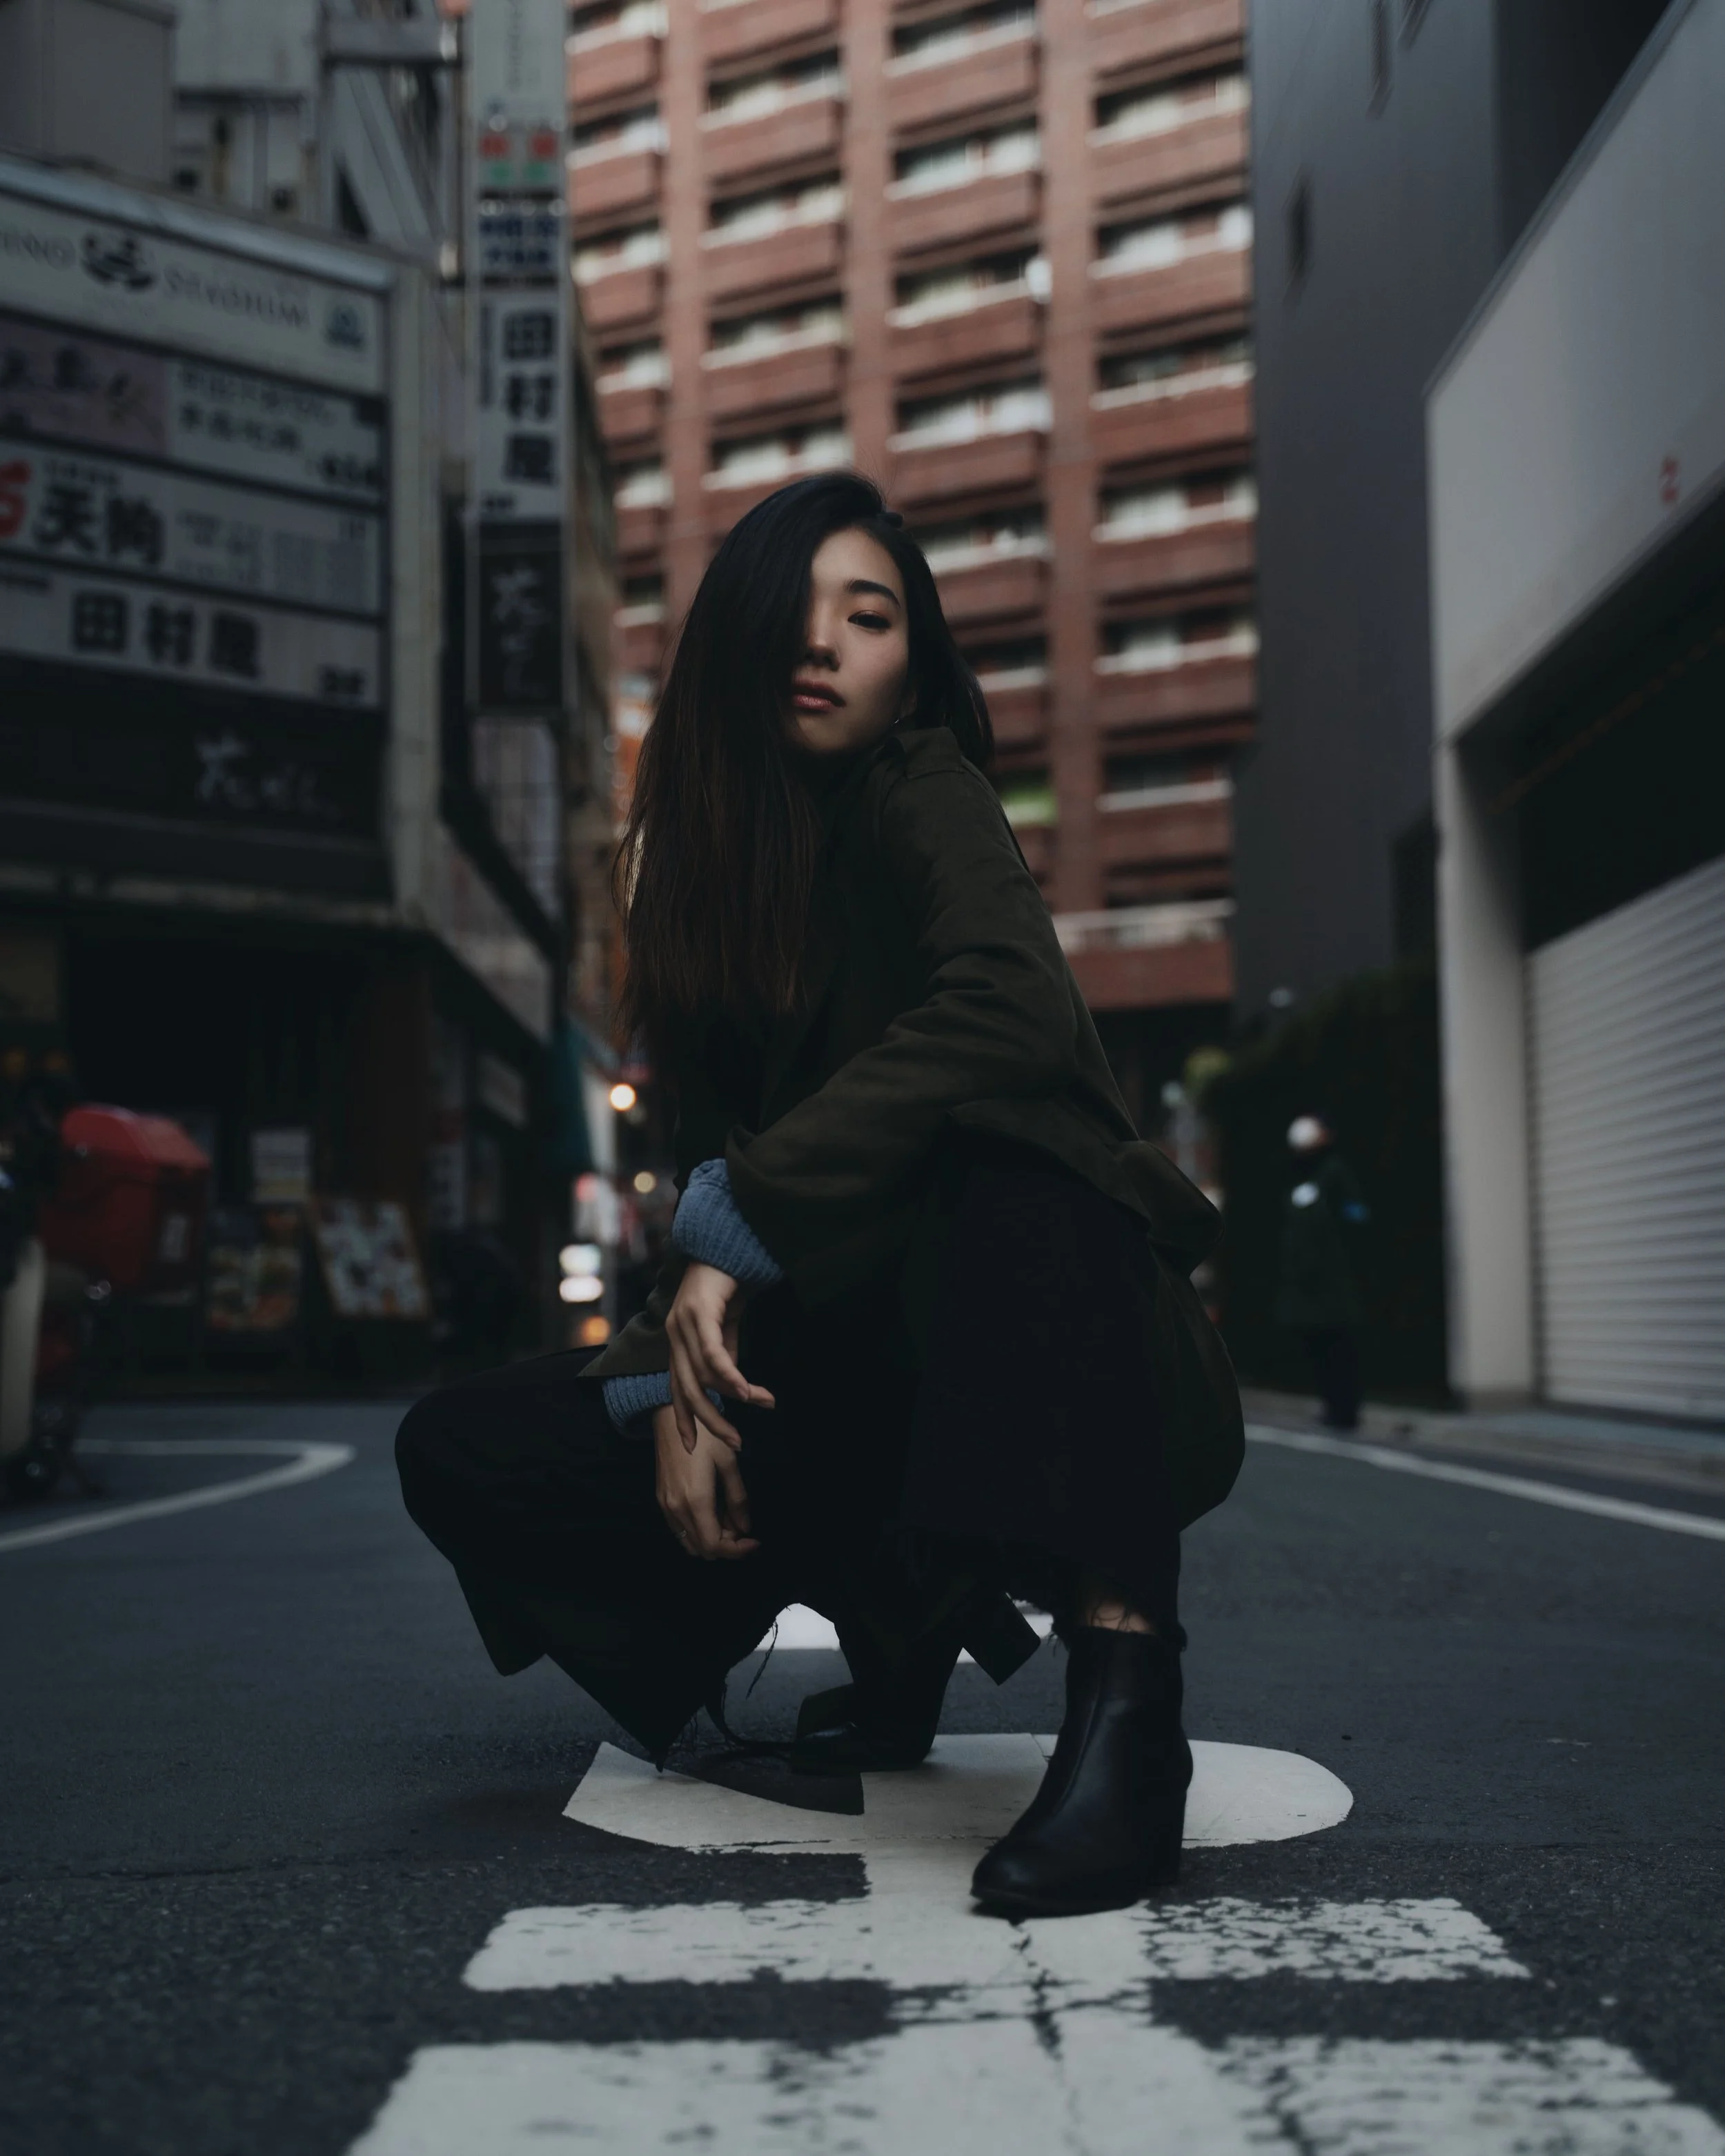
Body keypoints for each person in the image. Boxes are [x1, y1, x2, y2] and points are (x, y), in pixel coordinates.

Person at [396, 473, 1243, 1918]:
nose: (828, 642)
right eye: (796, 611)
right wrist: (667, 1381)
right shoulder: (697, 893)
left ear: (913, 658)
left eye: (871, 613)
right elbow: (709, 1190)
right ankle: (894, 1617)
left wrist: (739, 1220)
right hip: (858, 1373)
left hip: (1065, 1349)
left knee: (1005, 1148)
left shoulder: (924, 789)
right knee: (464, 1441)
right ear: (732, 638)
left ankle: (1126, 1703)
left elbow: (1010, 1009)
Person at [1274, 1114, 1370, 1432]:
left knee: (1340, 1348)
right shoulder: (1299, 1180)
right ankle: (1332, 1405)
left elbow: (1356, 1216)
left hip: (1334, 1285)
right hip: (1306, 1287)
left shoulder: (1335, 1174)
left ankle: (1346, 1409)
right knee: (1319, 1349)